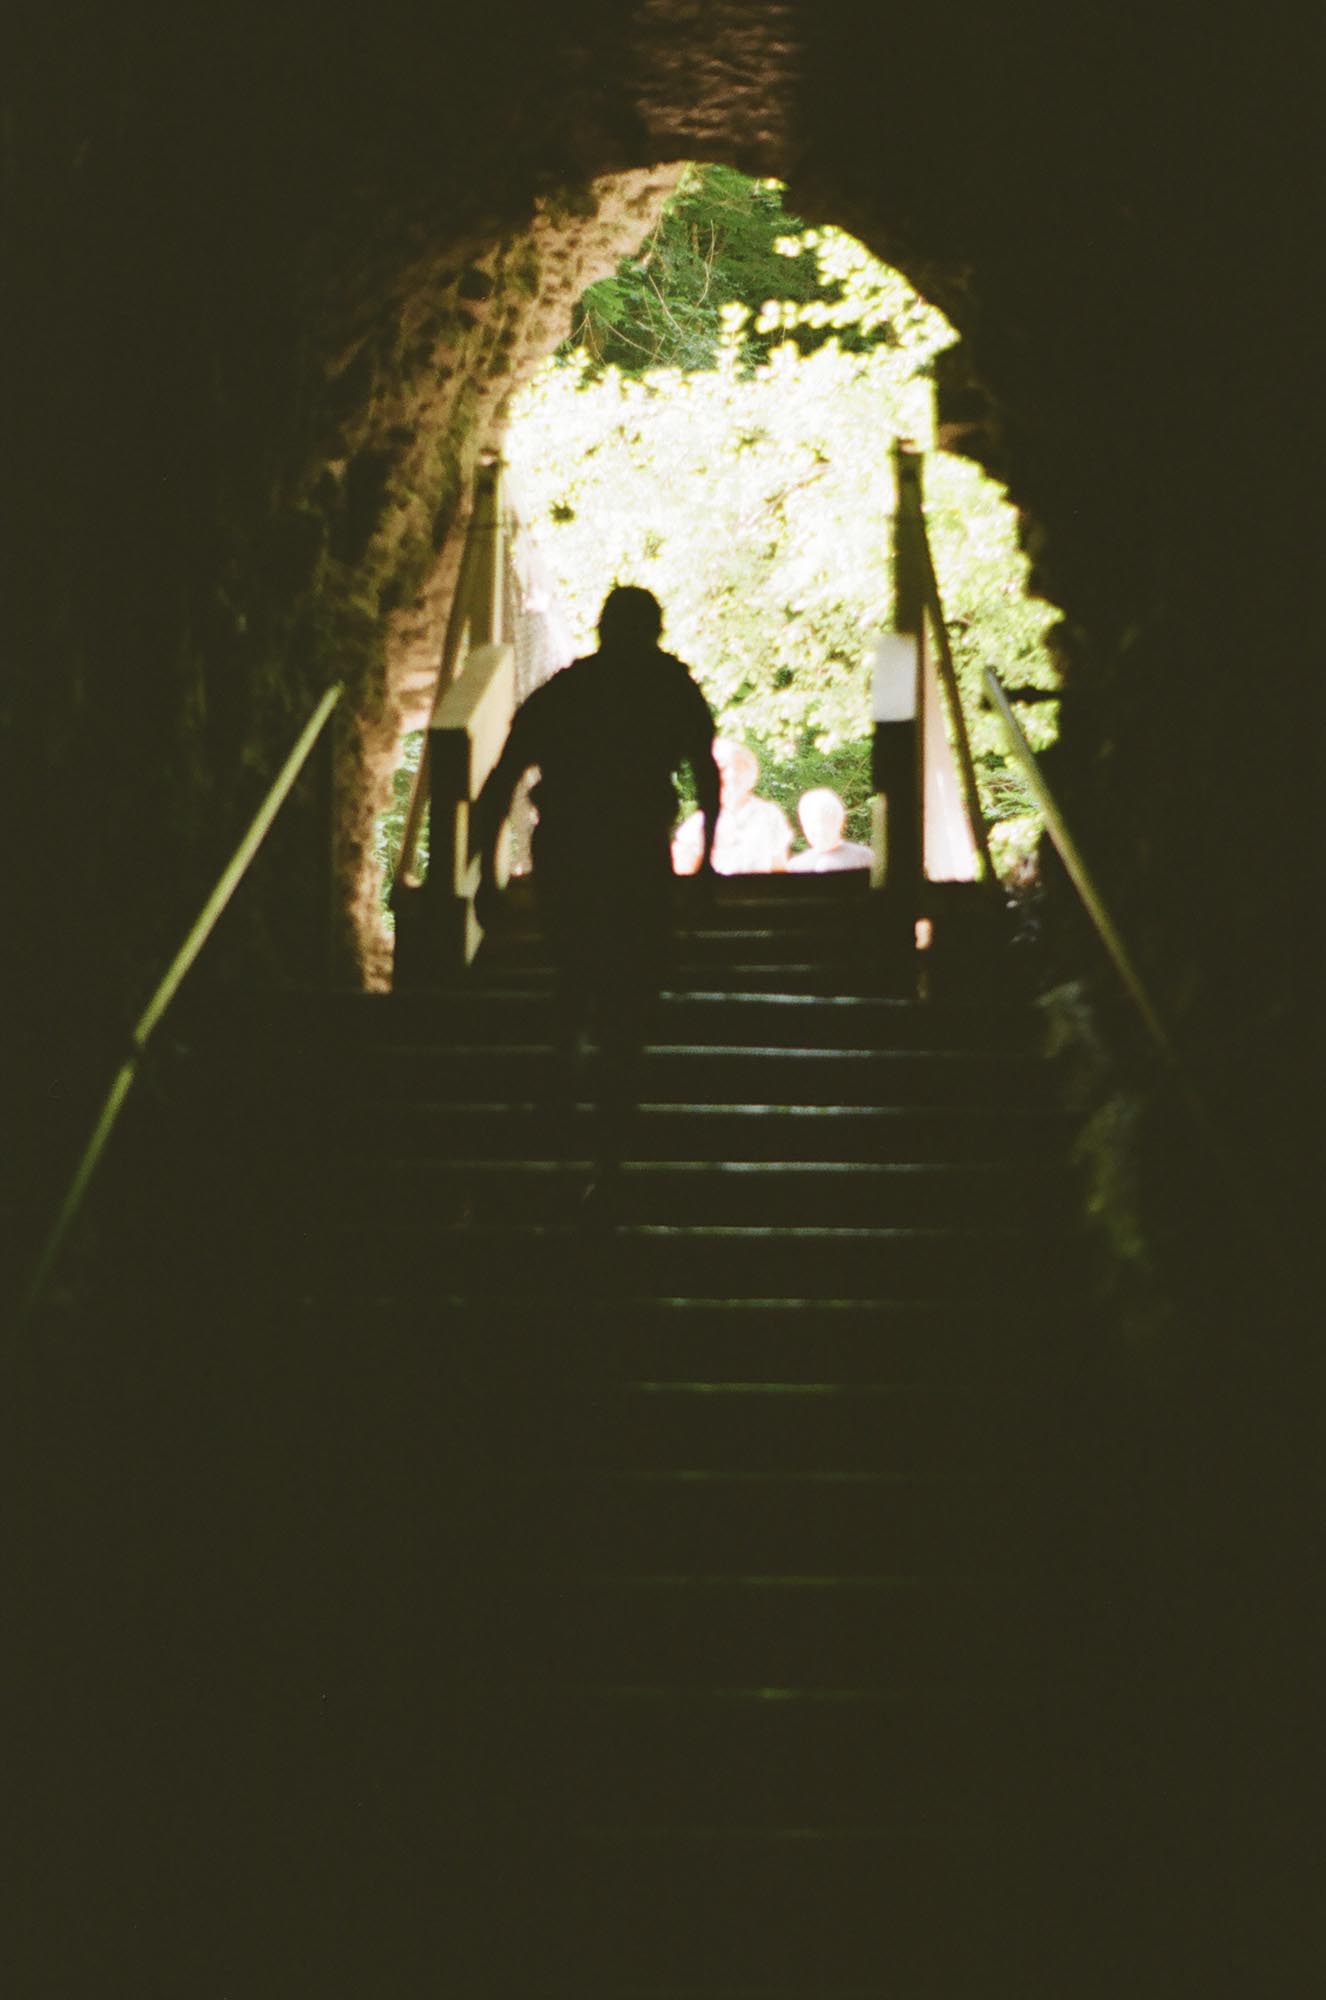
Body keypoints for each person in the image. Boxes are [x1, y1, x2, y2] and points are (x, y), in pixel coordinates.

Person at [475, 585, 719, 1130]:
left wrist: (484, 873)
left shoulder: (568, 690)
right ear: (655, 630)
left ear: (602, 629)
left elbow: (503, 777)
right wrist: (706, 866)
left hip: (569, 848)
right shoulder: (669, 686)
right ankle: (614, 1106)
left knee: (573, 966)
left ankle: (566, 1080)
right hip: (633, 849)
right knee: (629, 978)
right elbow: (706, 770)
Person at [671, 738, 792, 875]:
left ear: (752, 774)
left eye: (739, 767)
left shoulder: (770, 815)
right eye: (723, 768)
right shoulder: (697, 824)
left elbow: (780, 870)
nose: (731, 775)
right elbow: (684, 873)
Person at [787, 787, 873, 872]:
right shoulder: (795, 866)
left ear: (840, 821)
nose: (818, 830)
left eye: (824, 821)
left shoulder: (864, 858)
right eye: (811, 823)